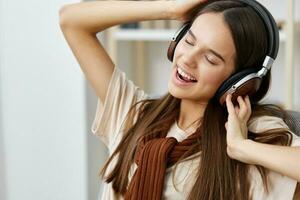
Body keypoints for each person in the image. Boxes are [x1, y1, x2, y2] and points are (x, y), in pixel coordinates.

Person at [59, 0, 300, 199]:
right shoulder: (134, 114)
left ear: (240, 80)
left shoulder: (252, 134)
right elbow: (71, 21)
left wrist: (242, 147)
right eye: (189, 40)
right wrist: (170, 8)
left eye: (211, 59)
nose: (187, 59)